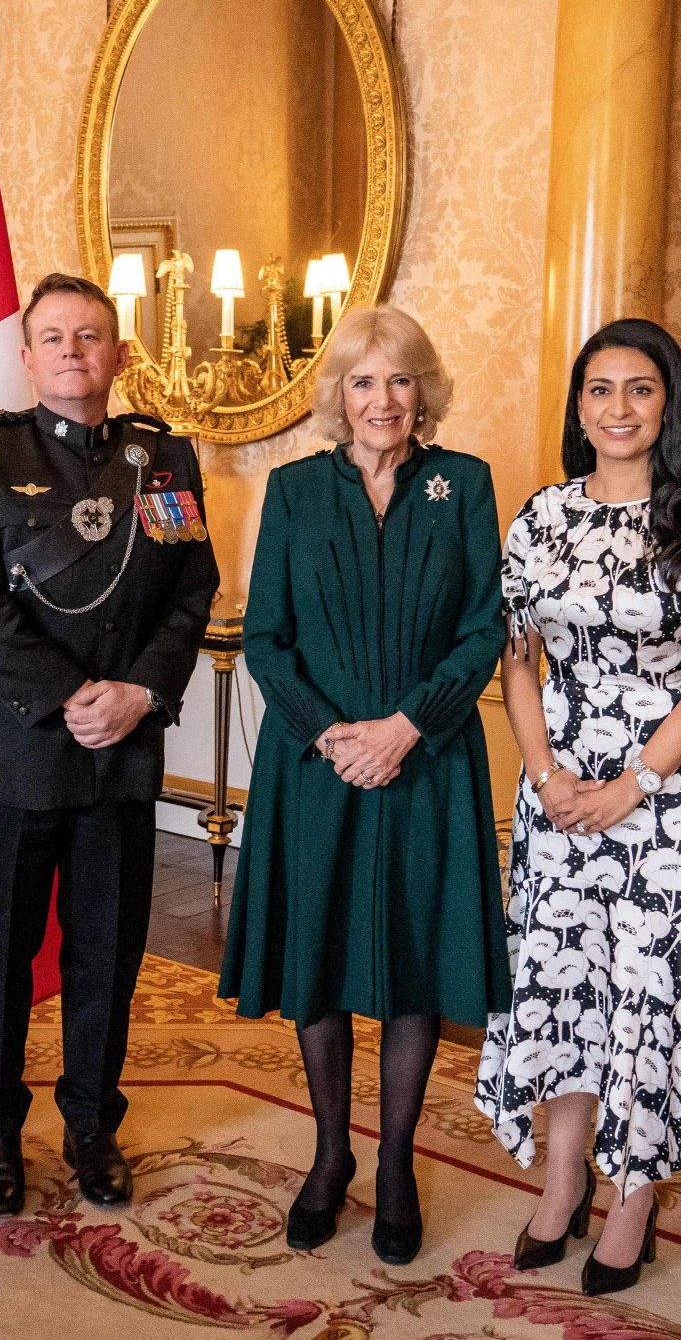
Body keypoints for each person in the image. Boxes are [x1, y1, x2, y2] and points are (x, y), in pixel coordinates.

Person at [475, 319, 681, 1297]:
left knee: (647, 996)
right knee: (562, 989)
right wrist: (548, 774)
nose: (617, 408)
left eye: (638, 390)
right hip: (559, 797)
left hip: (664, 801)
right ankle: (562, 1180)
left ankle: (634, 1198)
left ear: (667, 403)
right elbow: (518, 657)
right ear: (579, 406)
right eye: (598, 390)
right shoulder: (544, 515)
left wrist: (632, 784)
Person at [218, 304, 511, 1265]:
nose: (382, 399)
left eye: (399, 379)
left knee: (414, 960)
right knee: (320, 956)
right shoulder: (295, 489)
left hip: (427, 761)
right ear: (338, 395)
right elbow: (266, 637)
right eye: (362, 381)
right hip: (318, 767)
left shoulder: (463, 484)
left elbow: (482, 628)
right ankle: (329, 1153)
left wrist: (406, 726)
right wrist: (337, 738)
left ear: (422, 390)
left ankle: (394, 1166)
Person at [0, 273, 217, 1218]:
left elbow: (190, 592)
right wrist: (72, 696)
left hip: (119, 752)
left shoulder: (162, 459)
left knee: (108, 951)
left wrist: (138, 692)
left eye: (89, 336)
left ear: (118, 352)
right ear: (27, 355)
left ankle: (94, 1126)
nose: (71, 352)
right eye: (52, 336)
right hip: (14, 751)